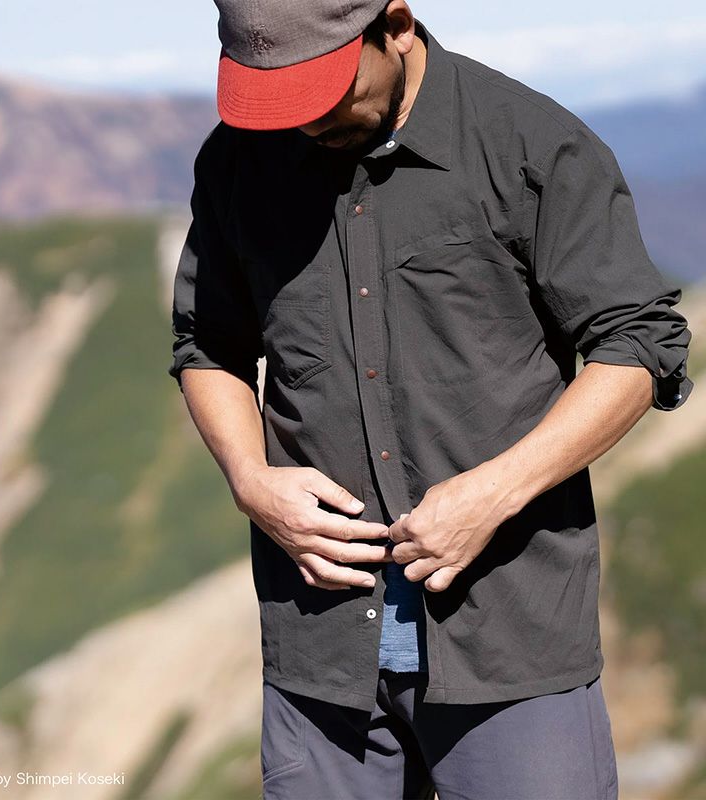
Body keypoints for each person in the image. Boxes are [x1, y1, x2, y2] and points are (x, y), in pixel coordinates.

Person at [168, 1, 695, 798]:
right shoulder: (240, 161)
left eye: (324, 92)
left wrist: (494, 492)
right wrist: (250, 480)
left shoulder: (530, 142)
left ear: (397, 26)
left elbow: (639, 345)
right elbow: (208, 344)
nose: (305, 123)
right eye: (279, 99)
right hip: (319, 657)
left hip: (511, 647)